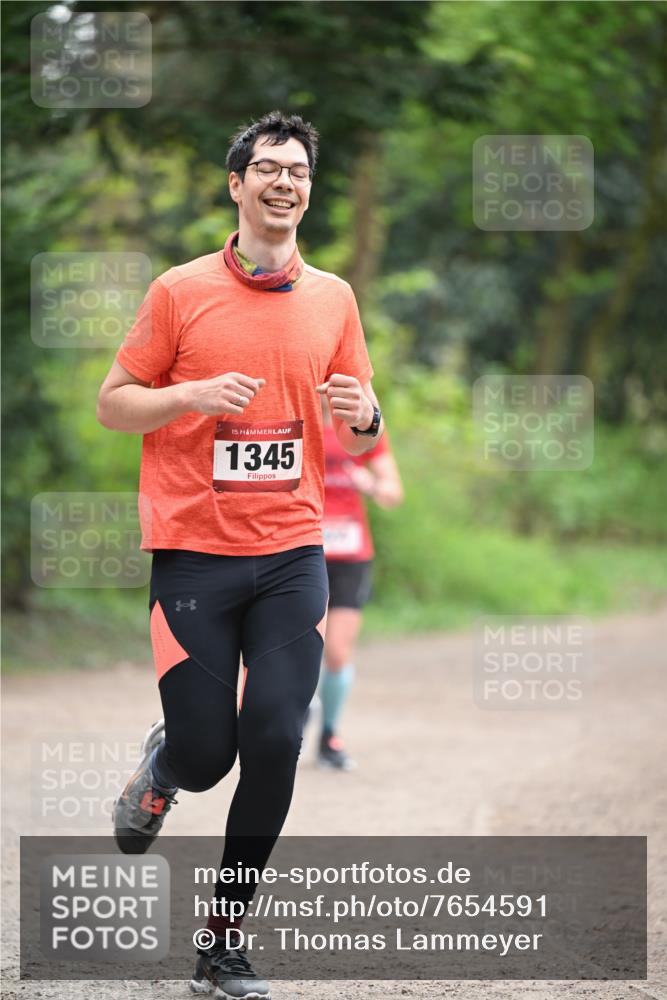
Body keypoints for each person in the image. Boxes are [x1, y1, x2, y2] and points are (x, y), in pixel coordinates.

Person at [96, 111, 384, 1000]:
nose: (283, 182)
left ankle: (222, 946)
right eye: (266, 168)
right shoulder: (179, 292)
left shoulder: (333, 298)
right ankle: (164, 768)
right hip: (192, 555)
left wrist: (365, 415)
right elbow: (113, 404)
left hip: (293, 551)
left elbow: (366, 413)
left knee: (272, 741)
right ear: (236, 185)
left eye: (297, 170)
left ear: (308, 187)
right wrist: (187, 393)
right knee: (207, 752)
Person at [318, 397, 403, 770]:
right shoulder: (291, 422)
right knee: (301, 648)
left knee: (336, 652)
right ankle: (289, 722)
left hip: (351, 557)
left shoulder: (363, 429)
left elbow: (393, 494)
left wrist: (368, 483)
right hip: (302, 553)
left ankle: (329, 735)